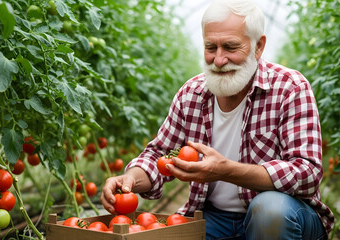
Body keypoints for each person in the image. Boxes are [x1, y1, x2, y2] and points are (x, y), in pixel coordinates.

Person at [101, 0, 335, 239]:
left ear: (258, 46)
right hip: (214, 217)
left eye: (231, 47)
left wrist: (226, 171)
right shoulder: (191, 94)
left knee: (269, 211)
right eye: (211, 47)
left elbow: (307, 173)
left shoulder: (290, 88)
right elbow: (159, 155)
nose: (219, 59)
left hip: (286, 218)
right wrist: (130, 178)